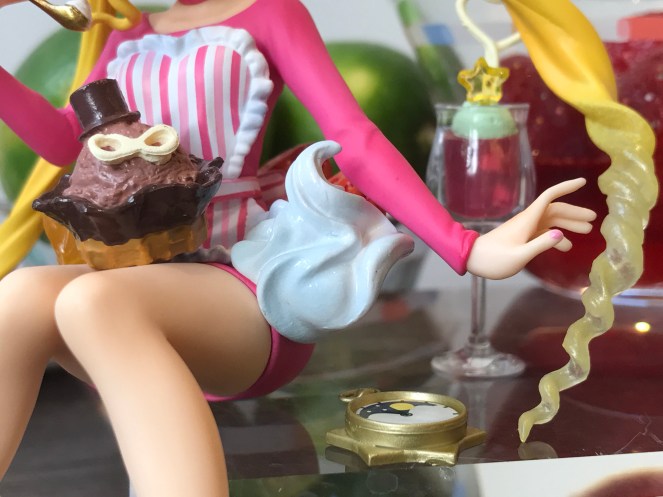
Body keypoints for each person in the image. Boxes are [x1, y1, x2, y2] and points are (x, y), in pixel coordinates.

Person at [0, 0, 596, 496]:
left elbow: (353, 138)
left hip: (243, 285)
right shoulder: (128, 32)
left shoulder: (270, 12)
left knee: (93, 301)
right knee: (22, 293)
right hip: (146, 279)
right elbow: (66, 141)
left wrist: (464, 245)